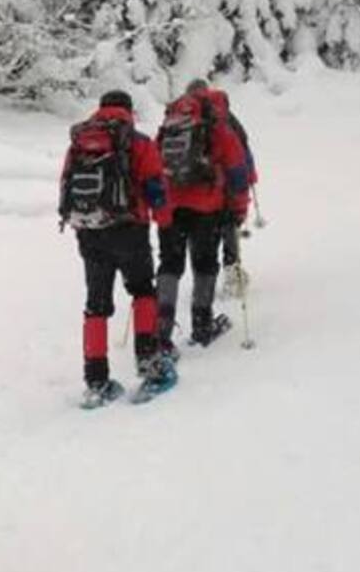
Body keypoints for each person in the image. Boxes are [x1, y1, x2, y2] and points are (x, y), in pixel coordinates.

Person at [58, 90, 173, 404]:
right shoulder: (137, 142)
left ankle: (96, 380)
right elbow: (155, 187)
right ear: (129, 110)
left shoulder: (80, 141)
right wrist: (164, 221)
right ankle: (150, 365)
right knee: (142, 291)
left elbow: (66, 183)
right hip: (128, 229)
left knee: (96, 304)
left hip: (89, 230)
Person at [155, 80, 249, 349]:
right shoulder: (216, 122)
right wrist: (239, 208)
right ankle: (202, 325)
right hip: (207, 207)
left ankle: (161, 330)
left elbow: (153, 159)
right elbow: (236, 168)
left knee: (169, 264)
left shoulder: (172, 122)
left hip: (171, 205)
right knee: (204, 264)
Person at [206, 87, 257, 273]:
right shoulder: (231, 123)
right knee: (230, 229)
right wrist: (250, 176)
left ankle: (205, 277)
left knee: (207, 234)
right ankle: (232, 269)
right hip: (228, 189)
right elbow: (244, 154)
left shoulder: (198, 121)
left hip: (205, 190)